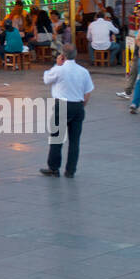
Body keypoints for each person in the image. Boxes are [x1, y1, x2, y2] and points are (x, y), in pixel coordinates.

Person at [40, 43, 93, 178]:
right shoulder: (83, 71)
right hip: (78, 105)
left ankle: (54, 168)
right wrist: (82, 105)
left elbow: (46, 79)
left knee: (57, 138)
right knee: (74, 140)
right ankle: (70, 170)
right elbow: (88, 92)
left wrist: (57, 65)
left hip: (62, 104)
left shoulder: (59, 70)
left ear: (62, 55)